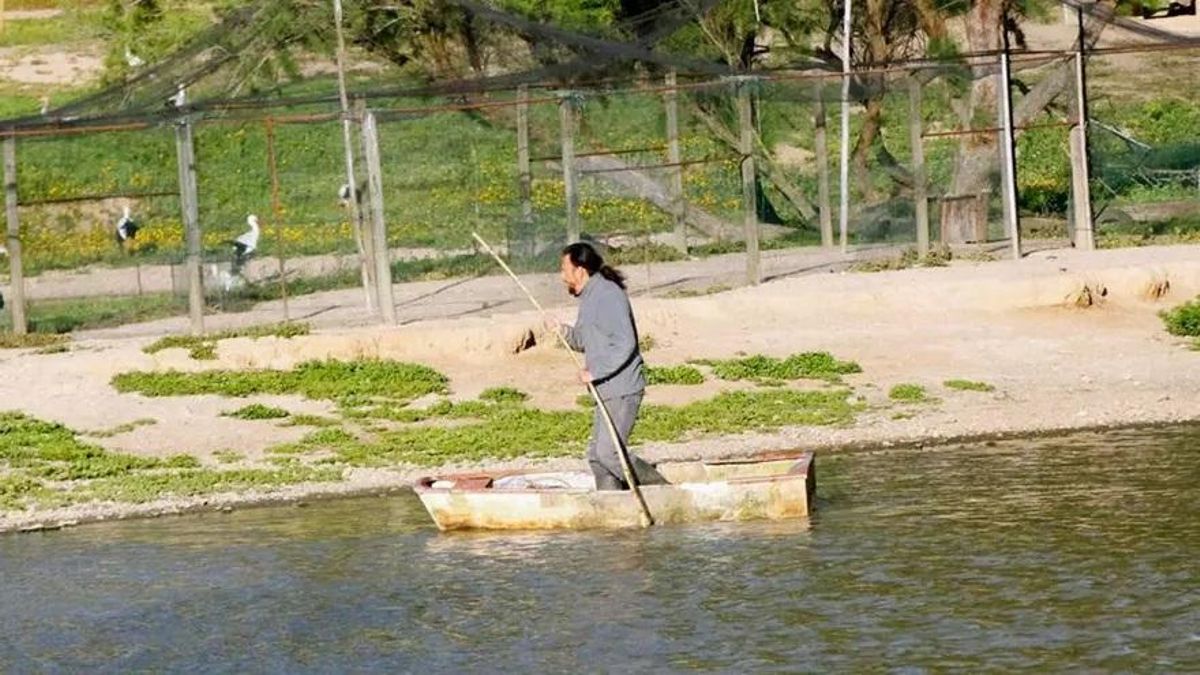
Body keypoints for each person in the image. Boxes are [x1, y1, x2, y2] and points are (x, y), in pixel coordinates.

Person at [548, 242, 666, 491]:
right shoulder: (589, 297)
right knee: (597, 457)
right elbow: (583, 339)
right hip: (605, 390)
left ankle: (664, 491)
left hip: (622, 388)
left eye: (564, 269)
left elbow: (626, 343)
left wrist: (596, 371)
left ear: (580, 271)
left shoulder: (608, 294)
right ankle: (612, 507)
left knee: (610, 454)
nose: (561, 276)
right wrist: (562, 332)